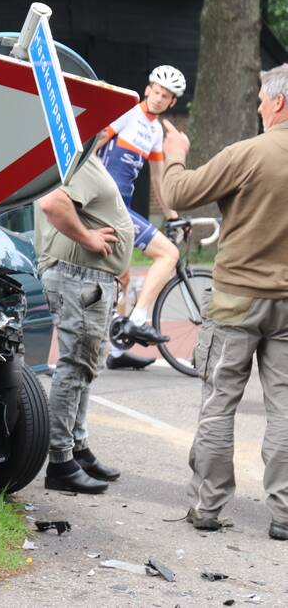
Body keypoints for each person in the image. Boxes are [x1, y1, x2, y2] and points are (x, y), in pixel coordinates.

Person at [161, 64, 288, 542]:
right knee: (286, 411)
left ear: (278, 102)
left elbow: (177, 193)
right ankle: (285, 513)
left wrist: (174, 155)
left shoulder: (250, 153)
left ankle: (207, 506)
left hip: (236, 299)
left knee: (219, 405)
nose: (257, 104)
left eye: (260, 97)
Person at [35, 152, 134, 494]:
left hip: (87, 277)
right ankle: (61, 462)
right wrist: (88, 238)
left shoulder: (81, 156)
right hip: (80, 278)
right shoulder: (77, 158)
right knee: (75, 366)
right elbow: (52, 202)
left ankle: (77, 448)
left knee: (85, 366)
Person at [92, 65, 186, 370]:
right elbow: (95, 144)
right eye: (156, 91)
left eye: (166, 96)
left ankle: (117, 352)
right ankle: (138, 319)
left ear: (172, 103)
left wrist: (172, 215)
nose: (158, 98)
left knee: (123, 277)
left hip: (124, 206)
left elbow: (159, 181)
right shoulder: (128, 113)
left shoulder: (156, 131)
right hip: (109, 204)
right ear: (147, 89)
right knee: (168, 254)